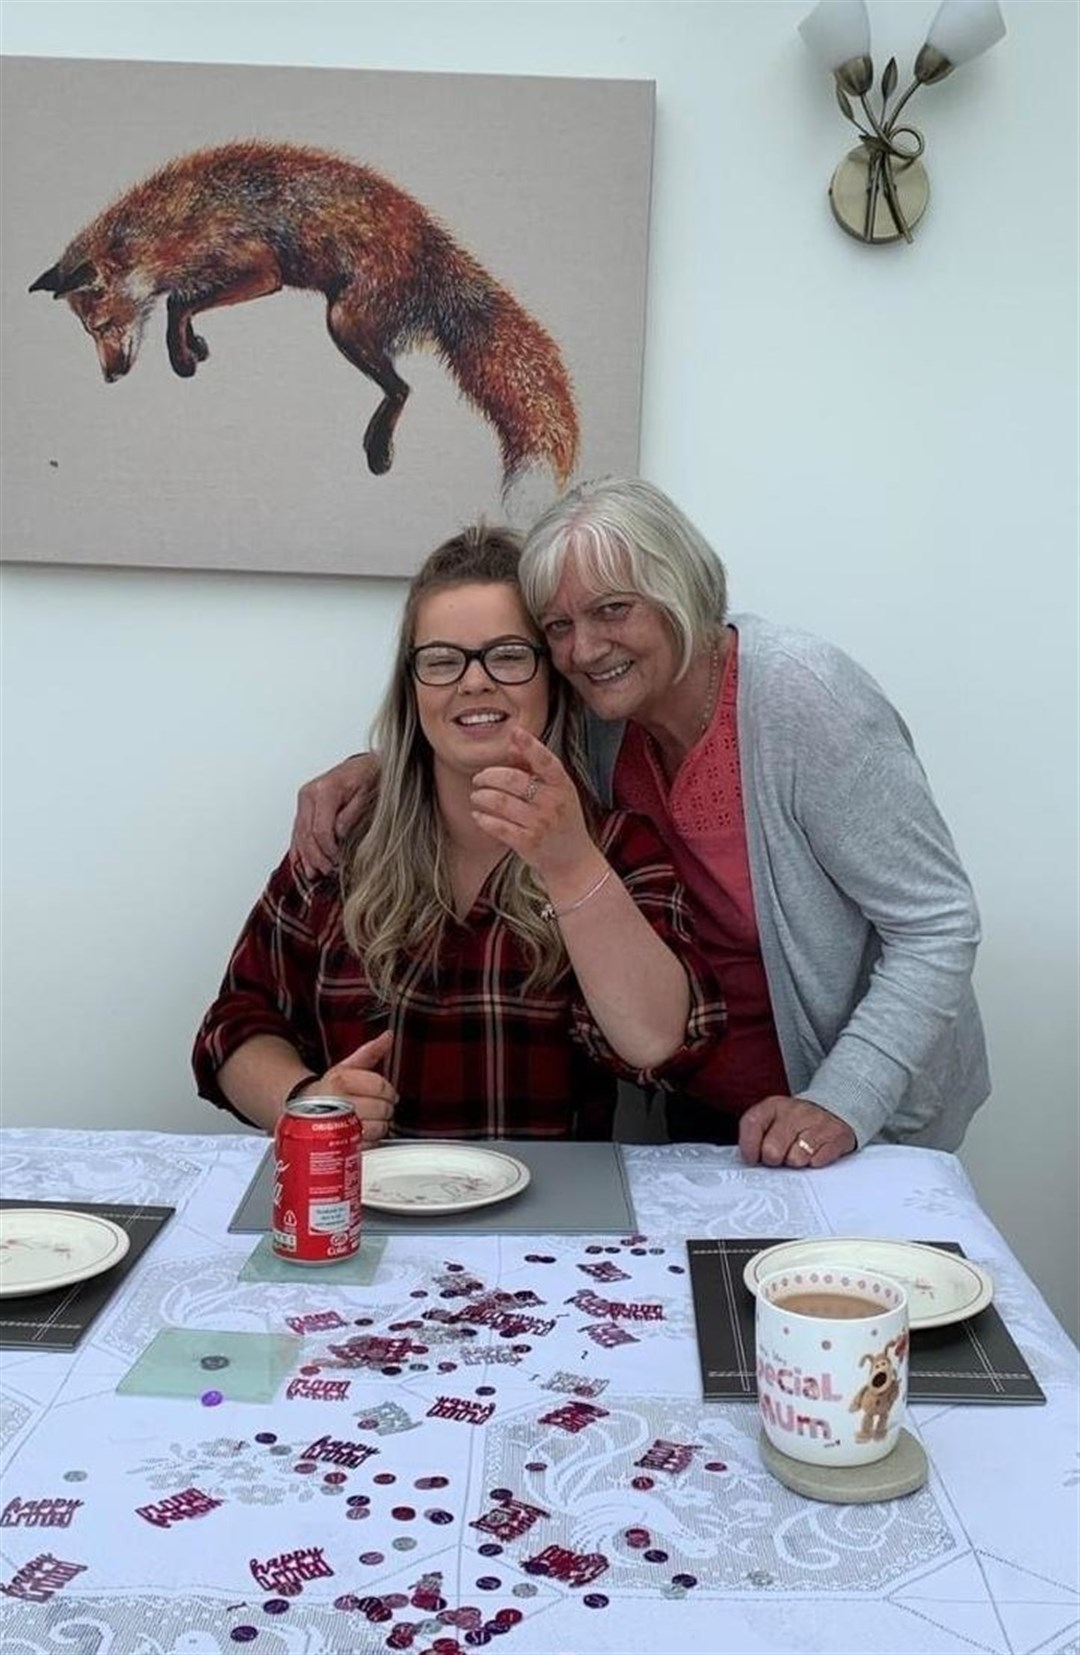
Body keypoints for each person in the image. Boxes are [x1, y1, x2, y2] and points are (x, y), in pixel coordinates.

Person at [291, 480, 990, 1168]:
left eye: (612, 610)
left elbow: (938, 922)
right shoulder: (604, 716)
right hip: (702, 1110)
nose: (584, 650)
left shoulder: (805, 701)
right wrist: (381, 767)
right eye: (558, 627)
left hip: (852, 1109)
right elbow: (483, 722)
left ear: (680, 593)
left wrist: (845, 1097)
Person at [194, 524, 723, 1140]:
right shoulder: (343, 839)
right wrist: (308, 1102)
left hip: (547, 1220)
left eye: (507, 655)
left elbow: (660, 1045)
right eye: (443, 661)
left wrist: (570, 865)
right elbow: (235, 1024)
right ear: (411, 688)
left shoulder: (618, 848)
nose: (475, 682)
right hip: (364, 1208)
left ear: (551, 678)